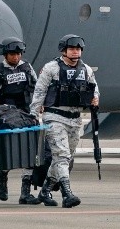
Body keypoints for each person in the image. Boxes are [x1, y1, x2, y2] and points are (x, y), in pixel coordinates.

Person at [30, 34, 99, 208]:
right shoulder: (51, 68)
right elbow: (39, 92)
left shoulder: (86, 70)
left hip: (75, 120)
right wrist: (33, 116)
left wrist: (95, 98)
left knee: (65, 158)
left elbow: (94, 89)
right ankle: (67, 194)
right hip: (54, 117)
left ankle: (45, 190)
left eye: (78, 49)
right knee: (61, 155)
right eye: (72, 49)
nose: (76, 52)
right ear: (63, 50)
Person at [0, 37, 40, 205]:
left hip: (26, 115)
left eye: (19, 54)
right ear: (5, 54)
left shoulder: (27, 68)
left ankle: (25, 193)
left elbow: (38, 88)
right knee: (8, 152)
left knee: (30, 153)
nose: (16, 57)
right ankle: (1, 176)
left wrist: (39, 106)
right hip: (5, 117)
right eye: (13, 54)